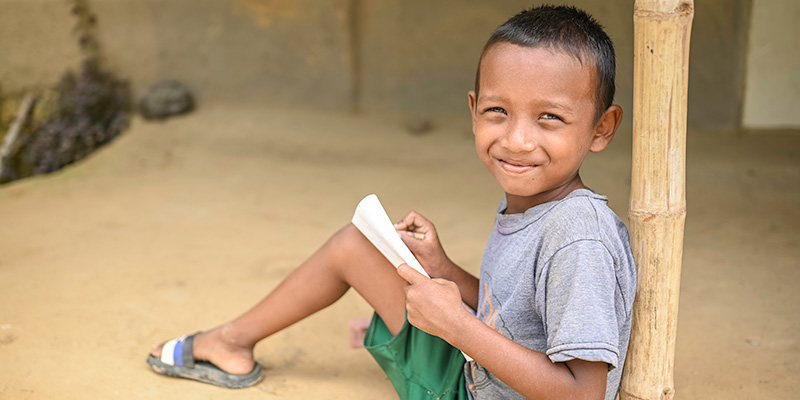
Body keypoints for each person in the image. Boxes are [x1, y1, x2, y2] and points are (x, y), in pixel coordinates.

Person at [147, 5, 636, 399]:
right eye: (497, 111)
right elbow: (514, 310)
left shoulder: (577, 237)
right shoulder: (540, 205)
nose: (517, 139)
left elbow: (583, 394)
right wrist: (444, 270)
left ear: (601, 129)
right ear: (473, 111)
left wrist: (455, 328)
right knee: (360, 244)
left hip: (470, 389)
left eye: (549, 117)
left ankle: (229, 343)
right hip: (481, 364)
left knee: (350, 249)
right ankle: (232, 343)